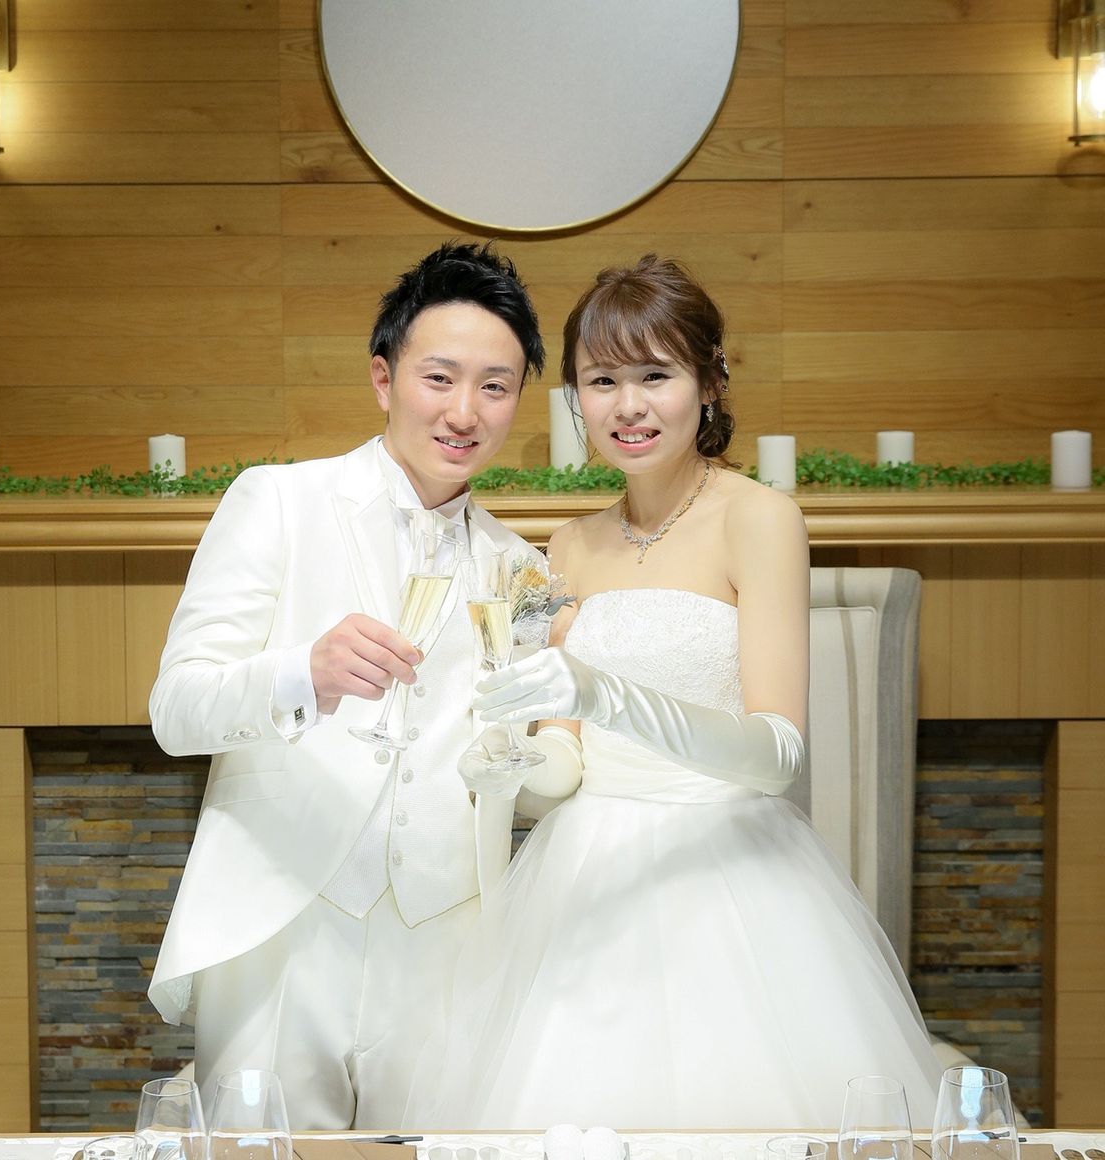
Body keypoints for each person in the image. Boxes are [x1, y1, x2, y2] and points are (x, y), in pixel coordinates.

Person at [401, 255, 944, 1129]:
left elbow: (778, 756)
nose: (628, 405)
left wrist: (610, 698)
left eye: (655, 375)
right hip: (584, 878)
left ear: (709, 383)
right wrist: (503, 762)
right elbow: (564, 765)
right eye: (601, 380)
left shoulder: (759, 518)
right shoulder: (566, 545)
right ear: (576, 399)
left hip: (726, 874)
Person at [145, 242, 579, 1129]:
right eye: (439, 378)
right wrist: (301, 672)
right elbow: (176, 711)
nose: (464, 411)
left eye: (495, 387)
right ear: (384, 379)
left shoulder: (519, 568)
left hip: (447, 939)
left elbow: (515, 758)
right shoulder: (275, 501)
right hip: (283, 926)